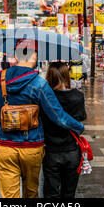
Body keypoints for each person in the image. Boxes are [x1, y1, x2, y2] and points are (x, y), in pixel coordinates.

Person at [0, 39, 84, 198]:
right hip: (31, 147)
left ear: (15, 55)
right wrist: (78, 127)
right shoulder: (40, 83)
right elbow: (58, 117)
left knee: (9, 196)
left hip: (4, 145)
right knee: (31, 192)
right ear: (34, 56)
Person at [43, 62, 86, 198]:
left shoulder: (45, 98)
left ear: (49, 77)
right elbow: (81, 117)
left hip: (51, 152)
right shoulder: (77, 96)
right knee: (69, 193)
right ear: (67, 76)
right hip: (72, 151)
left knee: (51, 193)